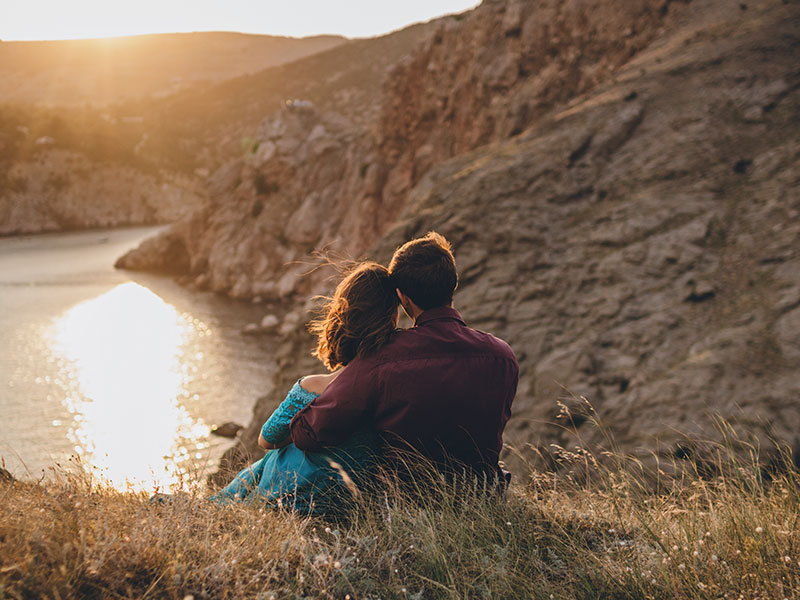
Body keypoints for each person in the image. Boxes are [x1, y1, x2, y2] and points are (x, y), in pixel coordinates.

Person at [290, 232, 519, 487]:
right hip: (483, 498)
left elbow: (307, 432)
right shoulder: (503, 357)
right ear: (452, 285)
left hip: (406, 507)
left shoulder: (382, 358)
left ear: (403, 298)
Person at [210, 262, 398, 512]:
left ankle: (220, 506)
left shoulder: (314, 387)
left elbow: (266, 439)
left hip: (293, 501)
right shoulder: (397, 385)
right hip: (354, 504)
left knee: (270, 458)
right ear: (393, 318)